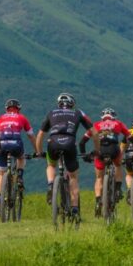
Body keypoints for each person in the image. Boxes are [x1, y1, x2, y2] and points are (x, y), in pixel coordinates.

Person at [36, 92, 99, 221]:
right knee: (73, 176)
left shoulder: (51, 112)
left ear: (59, 104)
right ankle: (75, 208)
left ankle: (50, 184)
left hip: (53, 143)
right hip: (70, 143)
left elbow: (40, 134)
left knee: (51, 165)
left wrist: (39, 151)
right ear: (72, 104)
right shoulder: (78, 113)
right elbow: (95, 132)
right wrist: (97, 150)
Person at [79, 107, 131, 217]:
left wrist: (84, 155)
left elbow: (82, 142)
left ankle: (98, 200)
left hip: (100, 151)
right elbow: (130, 138)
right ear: (114, 116)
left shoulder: (96, 125)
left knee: (99, 178)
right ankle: (118, 189)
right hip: (114, 150)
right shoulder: (118, 123)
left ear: (102, 117)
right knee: (118, 165)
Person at [0, 98, 38, 216]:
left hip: (1, 146)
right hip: (16, 145)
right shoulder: (22, 117)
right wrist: (37, 151)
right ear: (18, 109)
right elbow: (31, 136)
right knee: (21, 158)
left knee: (1, 174)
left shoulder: (0, 118)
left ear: (6, 109)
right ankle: (20, 176)